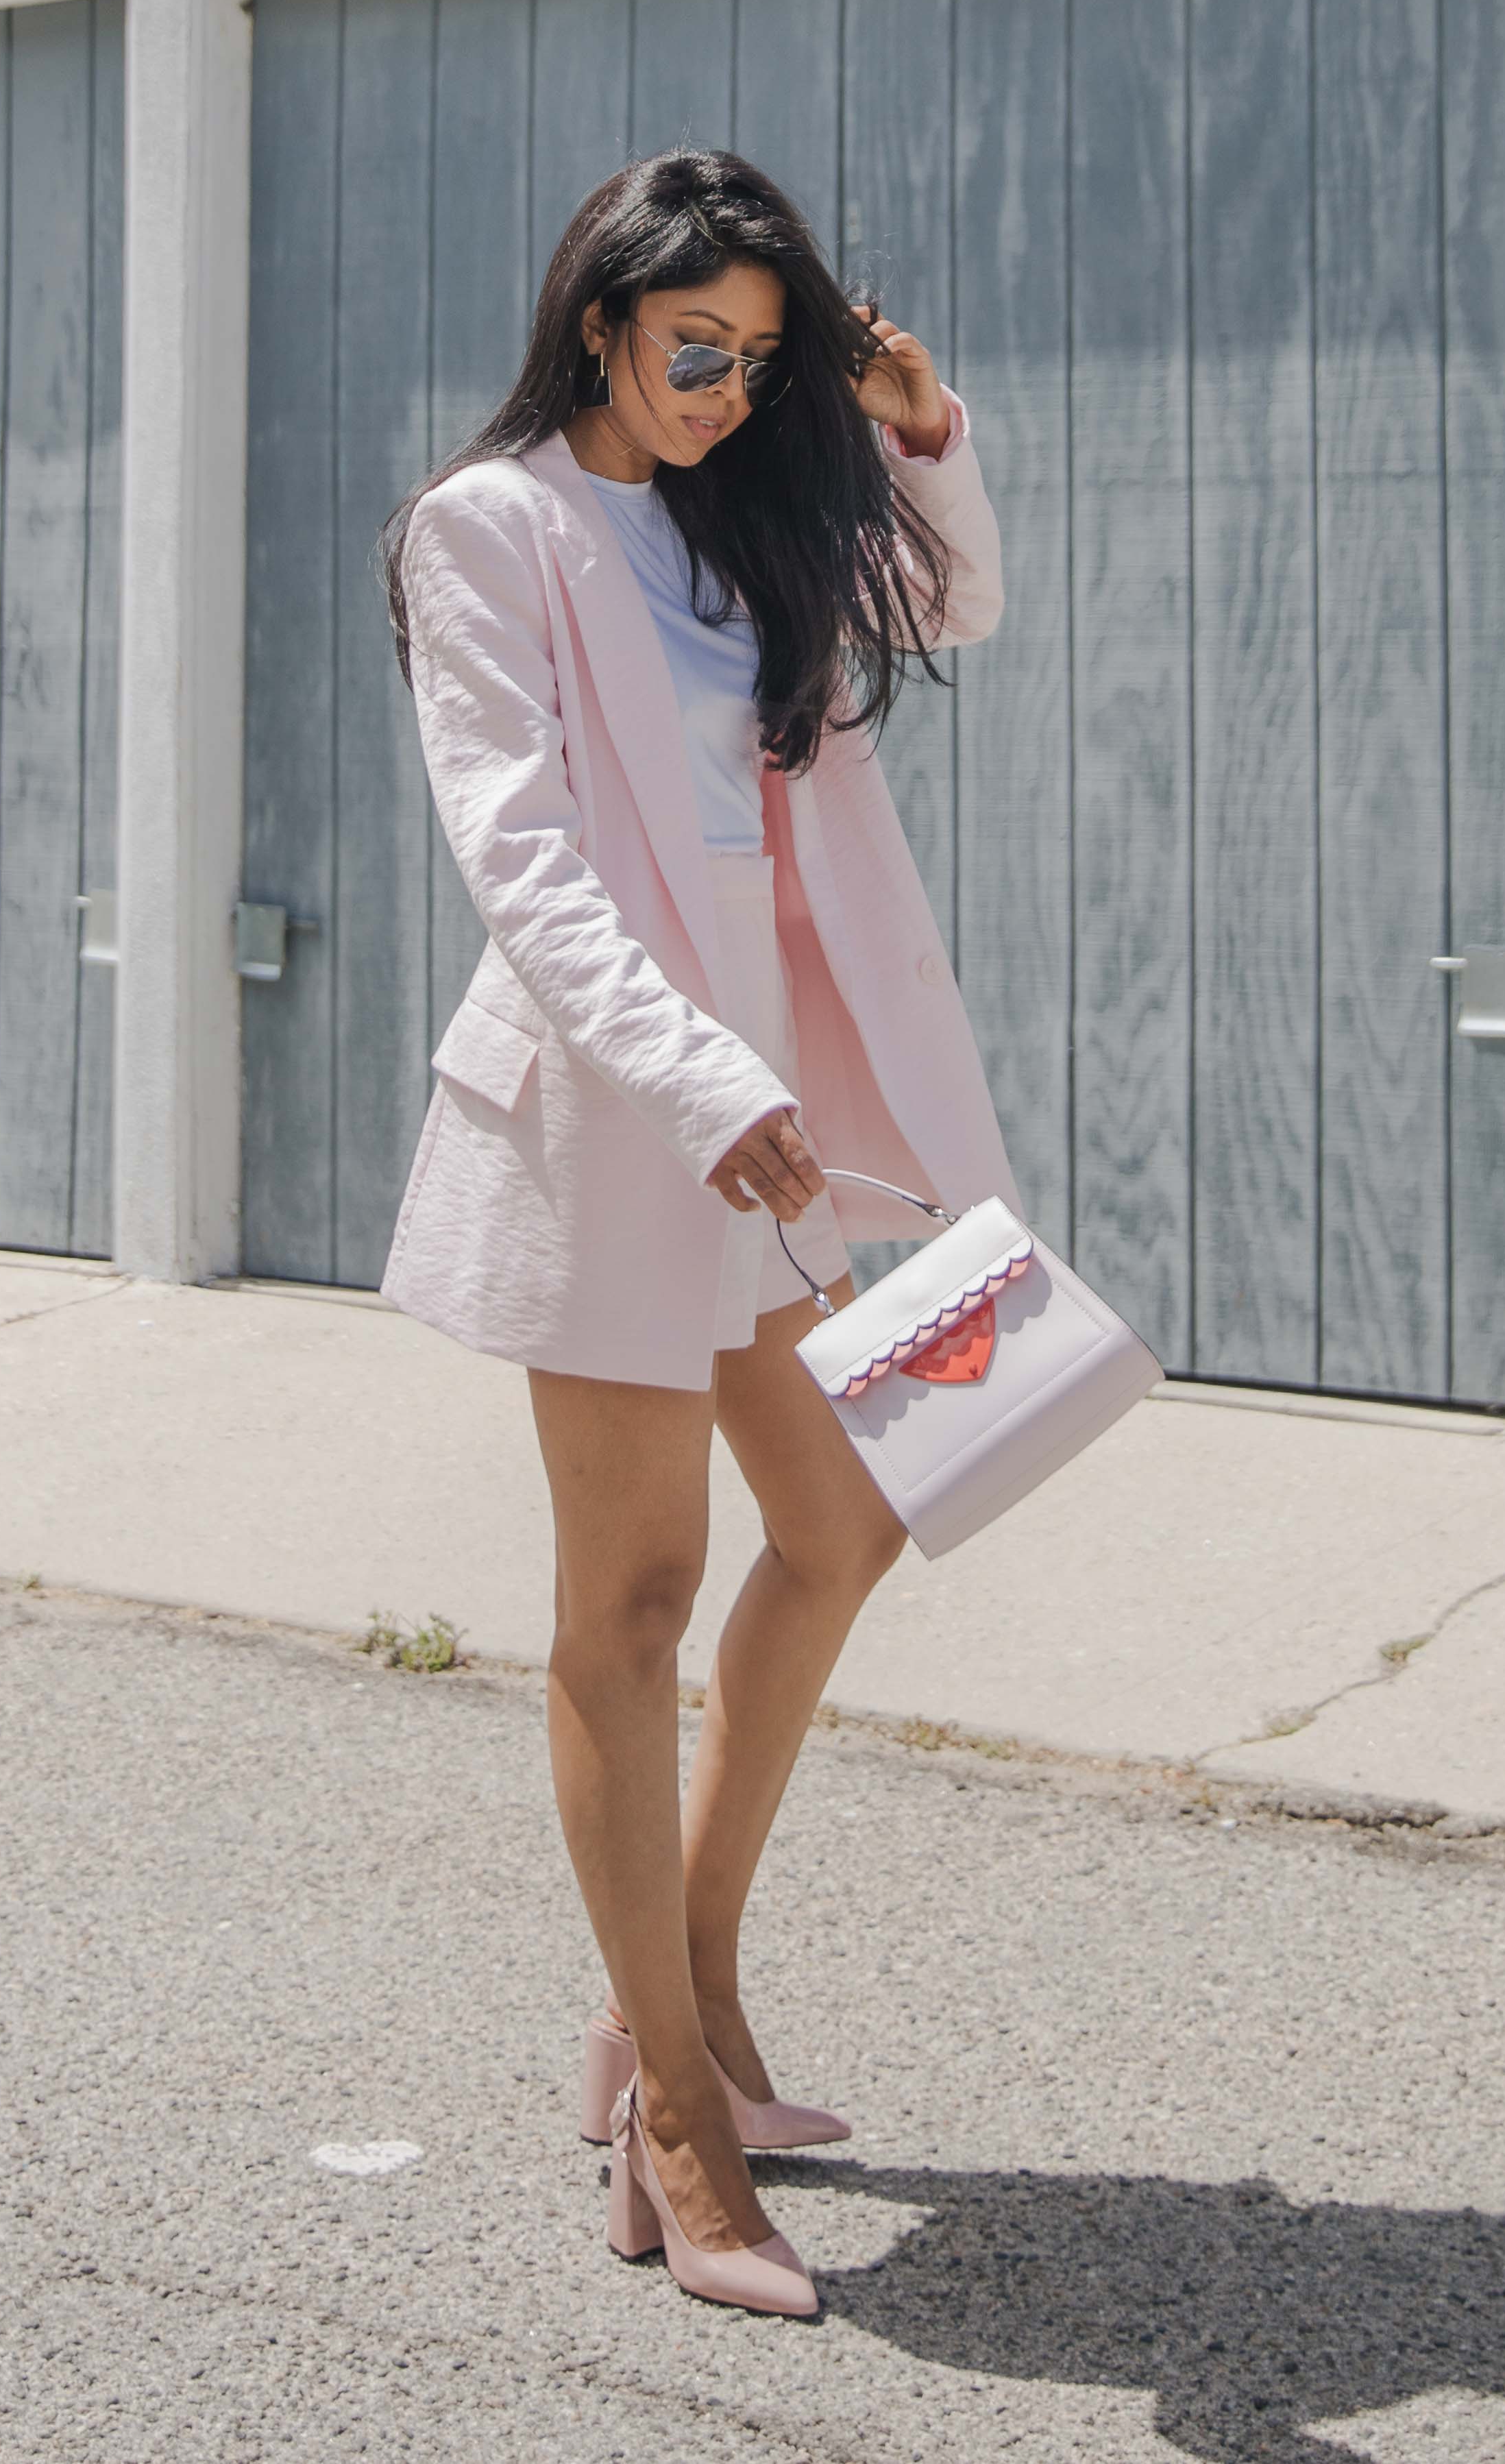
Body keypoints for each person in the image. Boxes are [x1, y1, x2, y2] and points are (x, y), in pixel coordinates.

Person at [379, 146, 1018, 2318]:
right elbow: (523, 852)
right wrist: (700, 1078)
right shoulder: (494, 531)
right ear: (596, 326)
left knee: (850, 1525)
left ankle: (690, 1990)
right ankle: (673, 2120)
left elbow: (953, 604)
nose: (729, 394)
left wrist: (914, 435)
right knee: (630, 1604)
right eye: (693, 352)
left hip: (793, 1117)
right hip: (619, 1115)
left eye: (759, 360)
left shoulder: (742, 523)